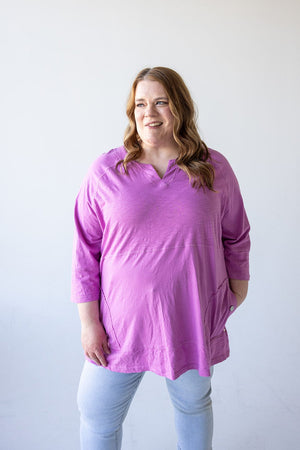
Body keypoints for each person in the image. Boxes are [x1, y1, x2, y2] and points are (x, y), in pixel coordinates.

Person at [71, 66, 250, 450]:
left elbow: (236, 235)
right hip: (119, 324)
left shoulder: (212, 168)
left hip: (191, 317)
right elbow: (85, 249)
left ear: (179, 108)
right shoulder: (107, 170)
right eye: (140, 104)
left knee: (193, 405)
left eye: (160, 102)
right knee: (97, 415)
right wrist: (89, 323)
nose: (148, 113)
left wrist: (236, 293)